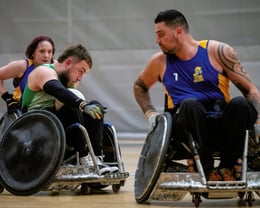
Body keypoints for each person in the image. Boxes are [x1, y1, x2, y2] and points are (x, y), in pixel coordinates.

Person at [133, 9, 260, 181]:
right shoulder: (159, 62)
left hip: (220, 123)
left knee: (240, 104)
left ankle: (226, 167)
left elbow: (250, 90)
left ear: (178, 32)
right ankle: (206, 169)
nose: (157, 41)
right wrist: (150, 113)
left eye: (161, 35)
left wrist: (258, 120)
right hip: (184, 128)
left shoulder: (218, 51)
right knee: (190, 104)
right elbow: (139, 86)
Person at [22, 43, 118, 175]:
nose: (80, 77)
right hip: (37, 124)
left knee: (95, 106)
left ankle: (96, 158)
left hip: (59, 124)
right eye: (81, 71)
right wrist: (83, 105)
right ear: (67, 63)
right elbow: (57, 90)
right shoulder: (44, 71)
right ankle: (85, 158)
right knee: (73, 101)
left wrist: (91, 109)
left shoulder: (70, 79)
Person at [0, 35, 55, 115]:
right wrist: (7, 98)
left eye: (49, 52)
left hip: (51, 113)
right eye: (42, 51)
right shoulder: (22, 66)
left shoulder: (57, 66)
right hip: (24, 114)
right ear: (32, 53)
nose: (46, 56)